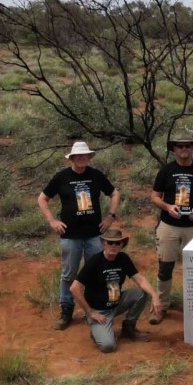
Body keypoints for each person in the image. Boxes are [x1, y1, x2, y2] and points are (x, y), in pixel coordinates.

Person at [38, 140, 120, 330]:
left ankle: (92, 309)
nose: (82, 158)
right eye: (78, 156)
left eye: (85, 155)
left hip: (94, 234)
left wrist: (110, 216)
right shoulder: (62, 177)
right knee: (68, 274)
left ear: (89, 157)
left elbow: (114, 193)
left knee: (94, 273)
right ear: (72, 158)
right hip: (70, 235)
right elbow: (42, 198)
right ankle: (66, 310)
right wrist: (52, 221)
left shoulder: (96, 175)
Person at [147, 131, 193, 324]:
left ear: (192, 149)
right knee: (165, 266)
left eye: (187, 146)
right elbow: (154, 196)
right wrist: (168, 207)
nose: (184, 149)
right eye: (180, 146)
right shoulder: (166, 170)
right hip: (169, 225)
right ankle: (161, 306)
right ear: (174, 149)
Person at [70, 226, 160, 353]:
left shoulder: (123, 258)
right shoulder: (95, 262)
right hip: (99, 312)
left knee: (141, 292)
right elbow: (74, 288)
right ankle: (97, 332)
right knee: (108, 346)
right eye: (110, 242)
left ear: (121, 245)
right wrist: (90, 312)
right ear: (103, 243)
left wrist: (154, 296)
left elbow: (140, 279)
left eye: (117, 243)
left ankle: (129, 328)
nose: (113, 246)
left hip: (117, 303)